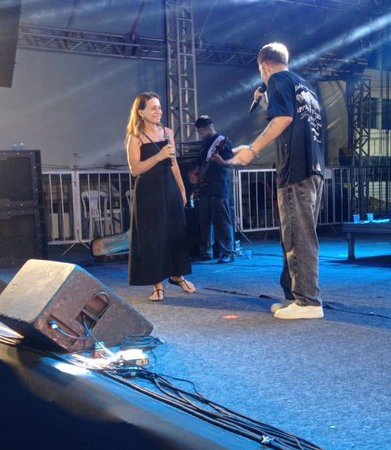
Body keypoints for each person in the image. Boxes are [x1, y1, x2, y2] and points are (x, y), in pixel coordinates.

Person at [222, 42, 325, 320]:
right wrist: (267, 100)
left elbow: (283, 119)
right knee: (296, 235)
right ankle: (293, 296)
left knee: (298, 236)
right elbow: (295, 120)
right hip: (314, 168)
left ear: (264, 67)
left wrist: (252, 149)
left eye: (261, 71)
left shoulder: (278, 80)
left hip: (296, 170)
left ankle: (308, 302)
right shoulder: (304, 85)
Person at [125, 92, 196, 301]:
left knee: (175, 232)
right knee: (153, 237)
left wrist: (182, 189)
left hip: (169, 188)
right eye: (153, 108)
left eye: (159, 107)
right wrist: (158, 156)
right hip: (148, 191)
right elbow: (135, 170)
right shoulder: (135, 137)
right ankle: (157, 285)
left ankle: (177, 274)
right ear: (141, 112)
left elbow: (173, 164)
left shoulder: (167, 133)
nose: (159, 111)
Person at [188, 115, 236, 264]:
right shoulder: (205, 144)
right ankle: (206, 251)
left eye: (200, 131)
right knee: (205, 221)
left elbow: (232, 162)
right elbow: (201, 162)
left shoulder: (223, 142)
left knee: (222, 221)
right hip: (204, 187)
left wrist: (222, 161)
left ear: (207, 128)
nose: (200, 134)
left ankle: (227, 252)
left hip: (218, 186)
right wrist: (194, 172)